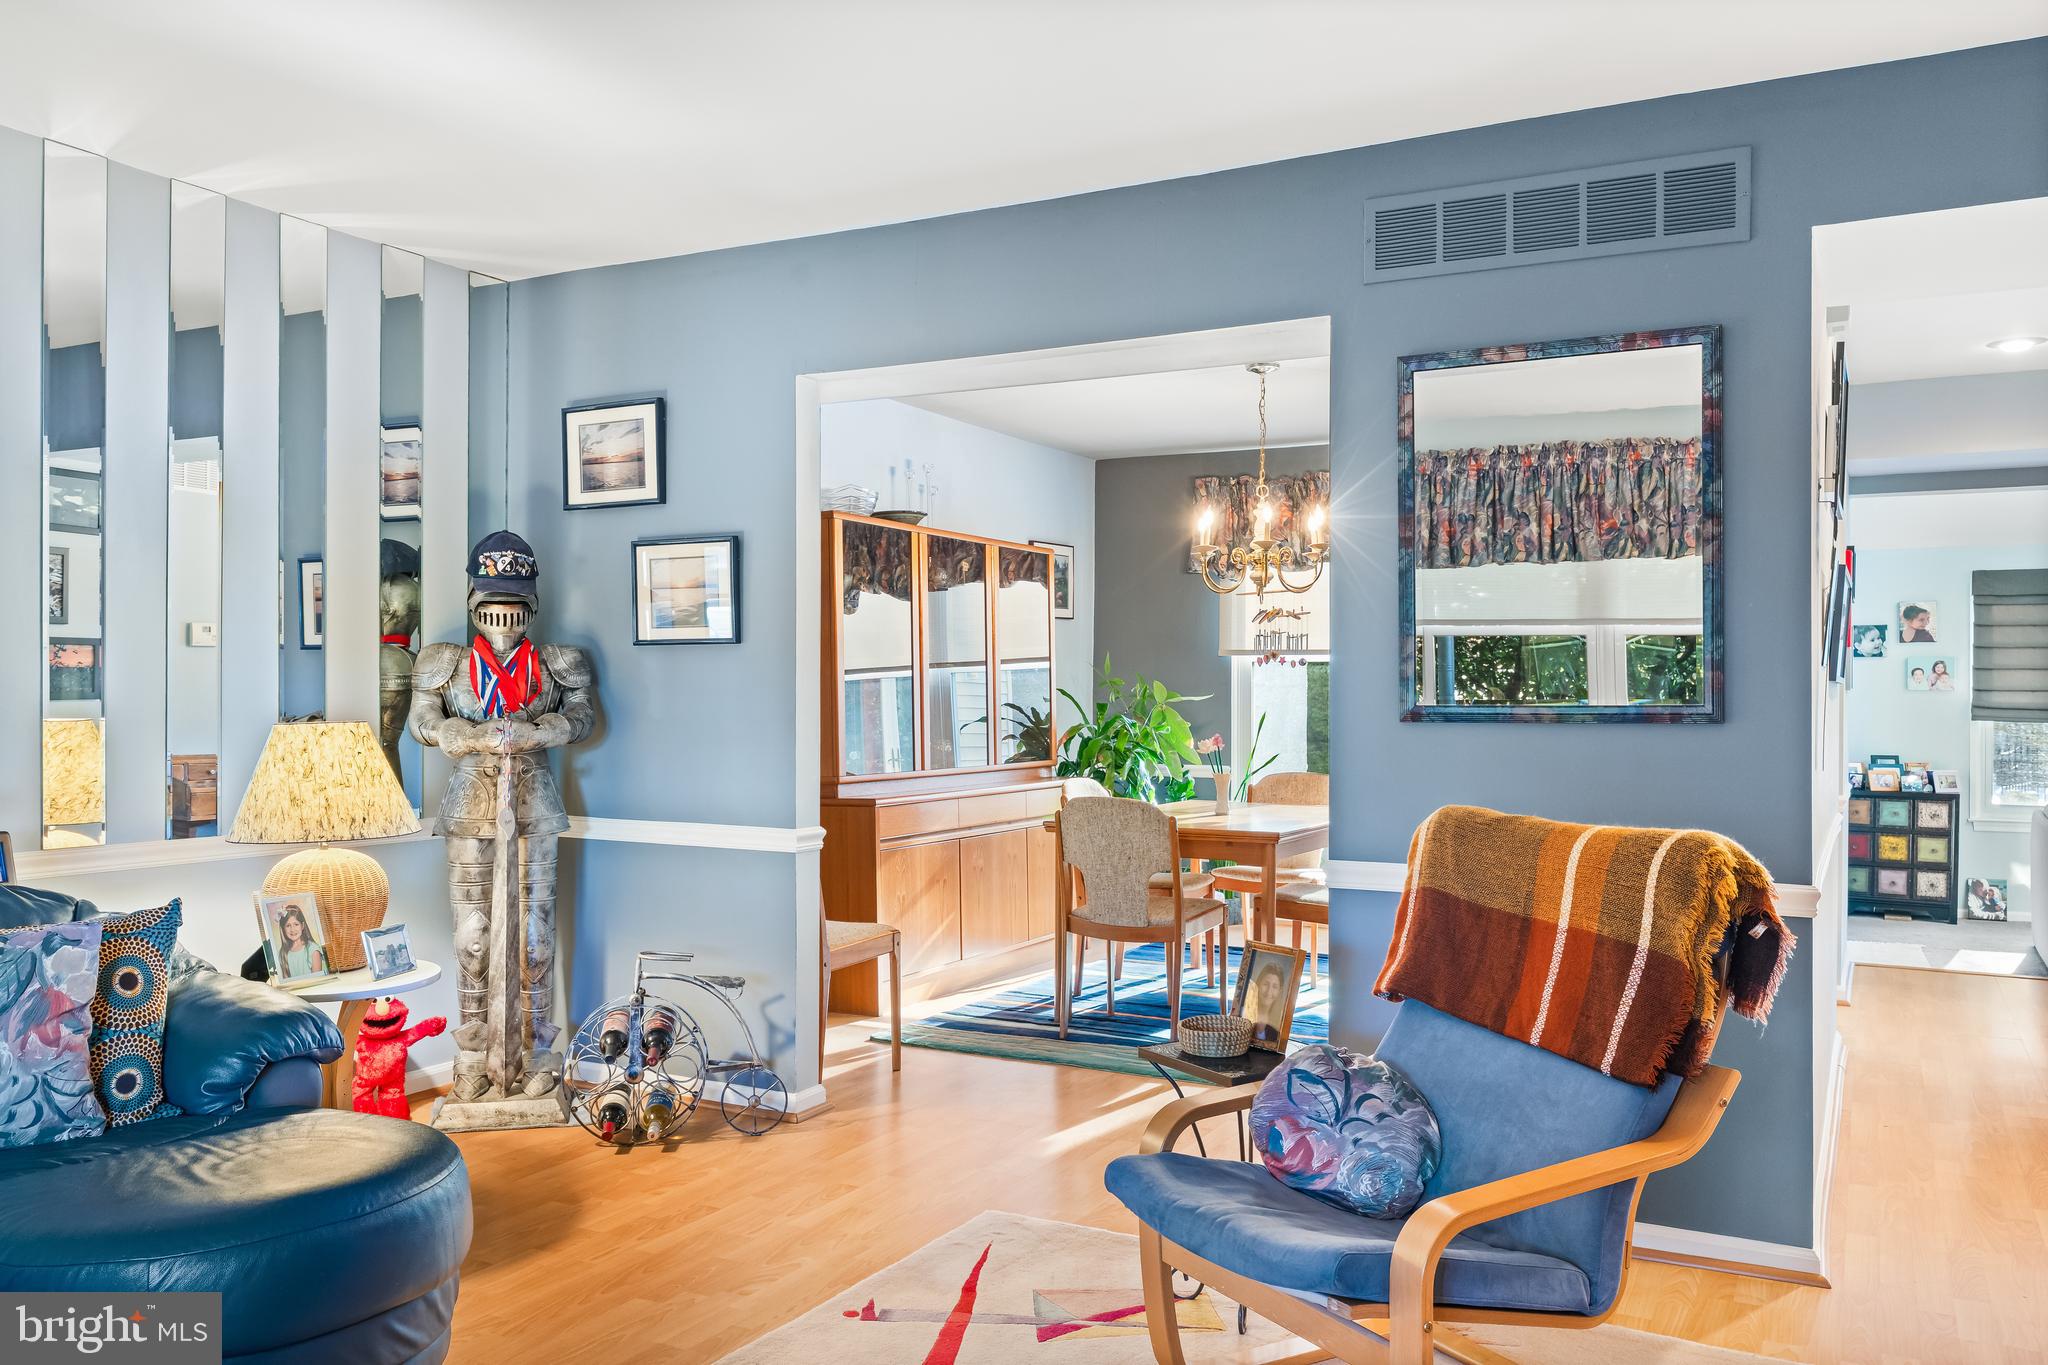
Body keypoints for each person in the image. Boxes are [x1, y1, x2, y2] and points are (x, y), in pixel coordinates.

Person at [276, 903, 327, 978]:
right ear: (283, 929)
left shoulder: (313, 950)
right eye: (288, 925)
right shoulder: (283, 953)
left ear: (302, 926)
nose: (292, 929)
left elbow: (317, 980)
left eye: (296, 924)